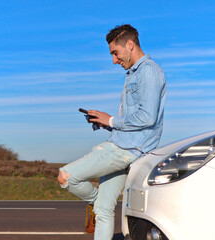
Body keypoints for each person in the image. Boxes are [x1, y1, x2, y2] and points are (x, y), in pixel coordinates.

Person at [58, 24, 167, 240]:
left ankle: (94, 198)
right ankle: (98, 203)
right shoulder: (134, 73)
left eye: (115, 53)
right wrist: (107, 122)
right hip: (125, 144)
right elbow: (135, 119)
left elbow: (148, 117)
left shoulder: (149, 71)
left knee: (65, 177)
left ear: (130, 44)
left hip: (124, 150)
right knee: (104, 211)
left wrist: (112, 120)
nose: (114, 60)